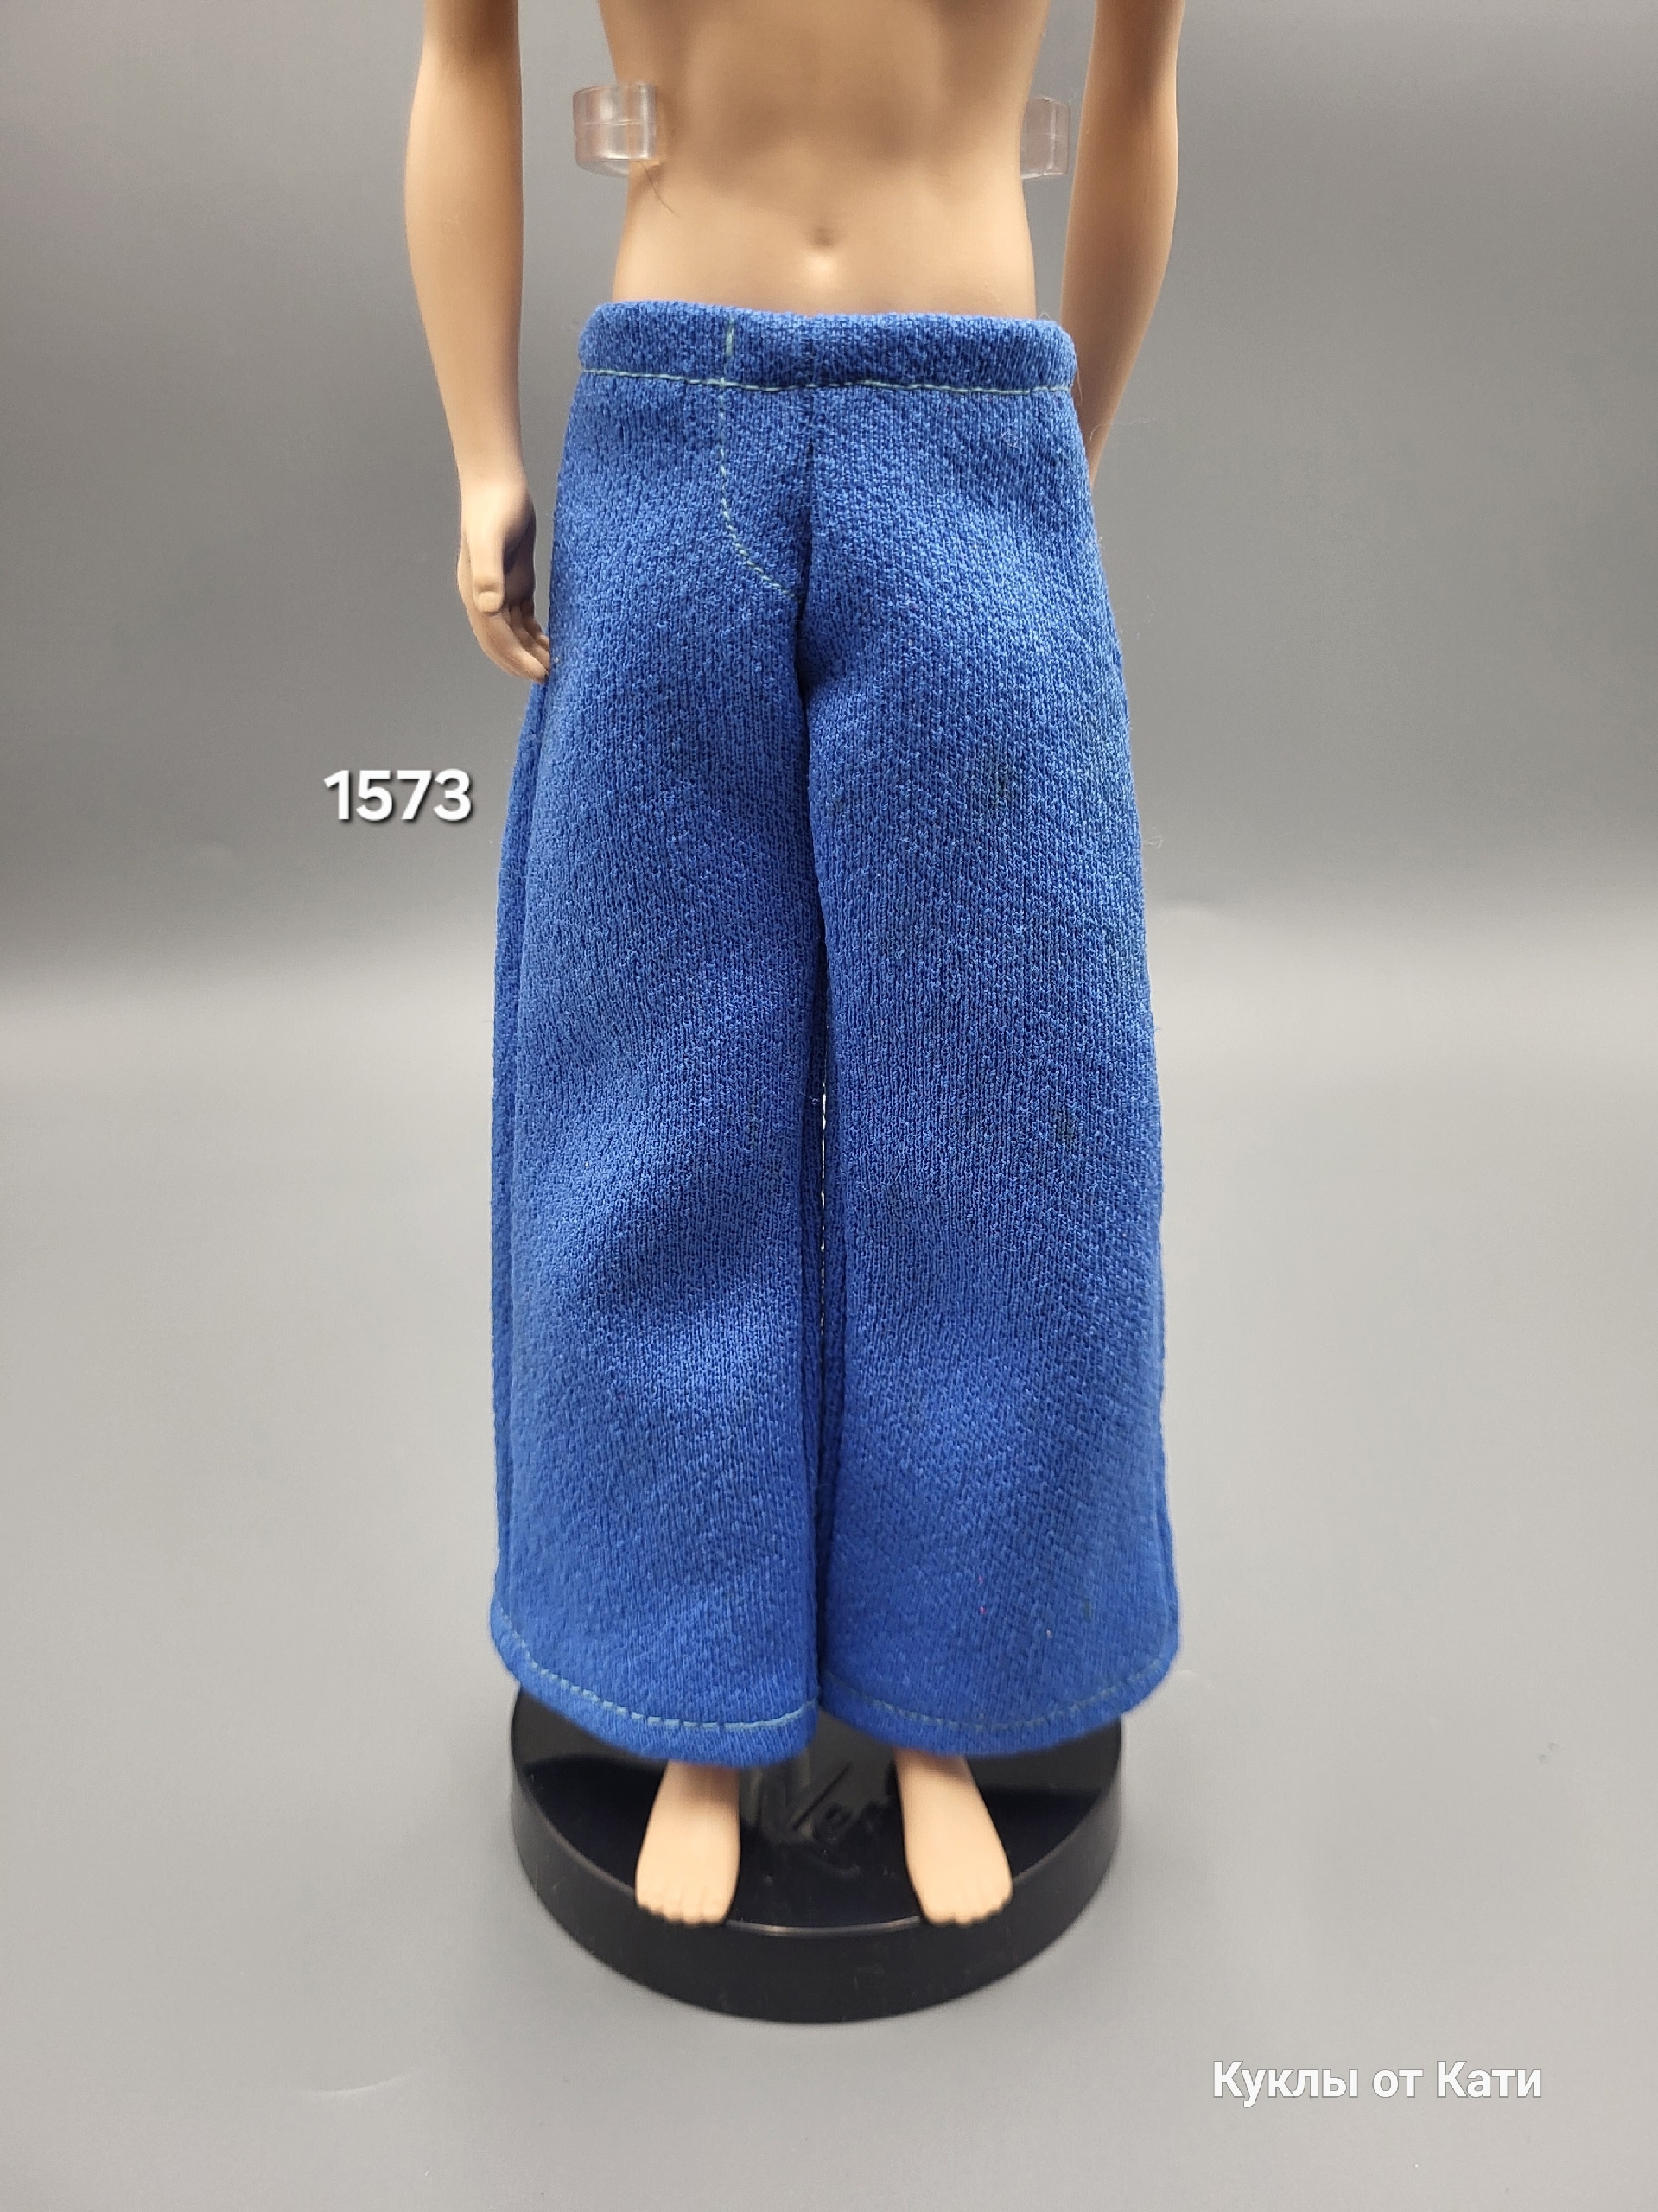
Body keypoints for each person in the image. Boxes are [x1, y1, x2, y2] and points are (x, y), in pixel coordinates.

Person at [405, 0, 1185, 1929]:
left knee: (1010, 1115)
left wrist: (1057, 446)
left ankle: (953, 1695)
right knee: (651, 1099)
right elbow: (465, 48)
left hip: (972, 410)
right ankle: (686, 1683)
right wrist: (482, 450)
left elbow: (1142, 87)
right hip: (674, 426)